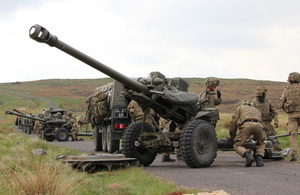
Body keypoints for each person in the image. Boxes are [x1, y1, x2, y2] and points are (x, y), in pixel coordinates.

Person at [227, 100, 266, 167]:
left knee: (237, 145)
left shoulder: (239, 108)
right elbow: (263, 125)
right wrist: (254, 135)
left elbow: (233, 122)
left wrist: (232, 135)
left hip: (246, 125)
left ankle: (248, 155)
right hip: (259, 125)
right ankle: (259, 159)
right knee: (261, 143)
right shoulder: (256, 109)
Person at [251, 86, 282, 151]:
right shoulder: (254, 103)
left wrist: (276, 120)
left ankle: (278, 149)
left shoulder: (268, 102)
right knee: (256, 137)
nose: (260, 98)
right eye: (259, 97)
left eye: (261, 97)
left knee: (273, 135)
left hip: (267, 122)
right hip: (258, 123)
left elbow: (274, 111)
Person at [279, 72, 300, 162]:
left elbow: (281, 103)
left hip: (292, 115)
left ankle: (294, 156)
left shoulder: (287, 90)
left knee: (293, 135)